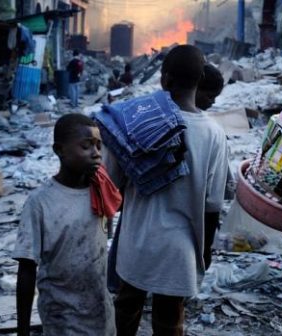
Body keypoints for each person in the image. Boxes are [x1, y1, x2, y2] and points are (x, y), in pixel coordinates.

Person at [107, 45, 228, 335]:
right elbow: (212, 205)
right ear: (200, 81)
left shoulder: (135, 119)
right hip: (181, 248)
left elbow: (112, 186)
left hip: (136, 239)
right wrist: (205, 251)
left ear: (165, 79)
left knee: (125, 309)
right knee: (170, 318)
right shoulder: (214, 134)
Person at [13, 114, 118, 336]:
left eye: (99, 146)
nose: (96, 153)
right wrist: (23, 330)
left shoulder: (100, 190)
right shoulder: (41, 202)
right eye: (86, 146)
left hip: (101, 311)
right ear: (60, 150)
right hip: (62, 315)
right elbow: (26, 269)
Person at [194, 63, 231, 270]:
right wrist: (206, 245)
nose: (213, 102)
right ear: (194, 88)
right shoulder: (214, 134)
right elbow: (214, 200)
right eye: (209, 96)